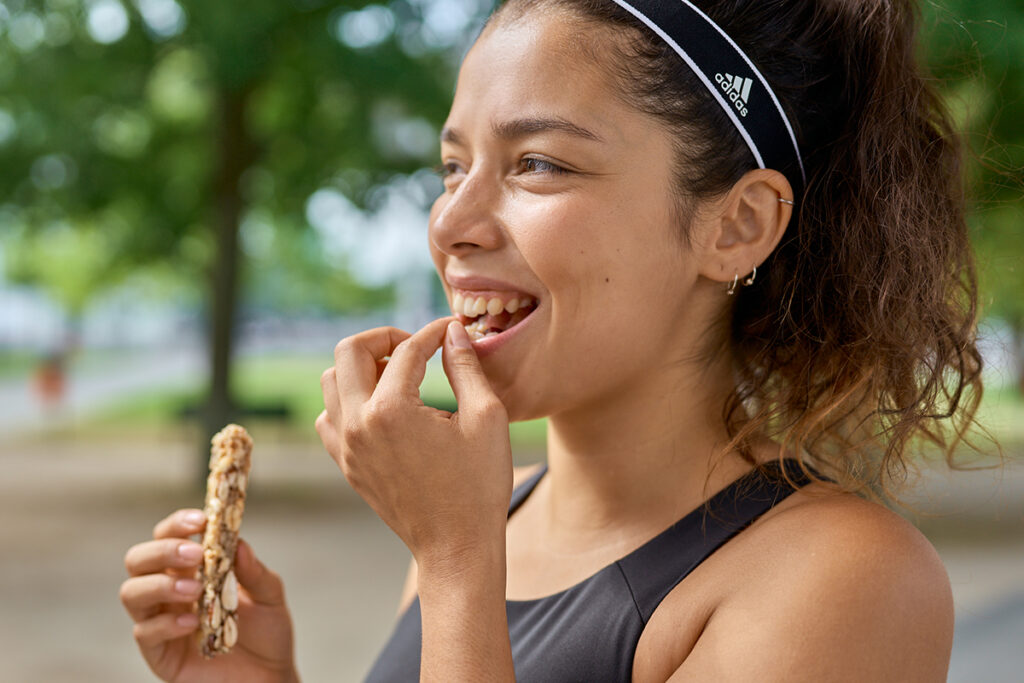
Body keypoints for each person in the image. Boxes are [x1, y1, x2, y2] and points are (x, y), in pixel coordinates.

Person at [120, 0, 984, 680]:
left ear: (737, 225)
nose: (450, 223)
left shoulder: (848, 580)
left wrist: (460, 566)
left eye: (539, 162)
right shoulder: (490, 510)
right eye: (454, 167)